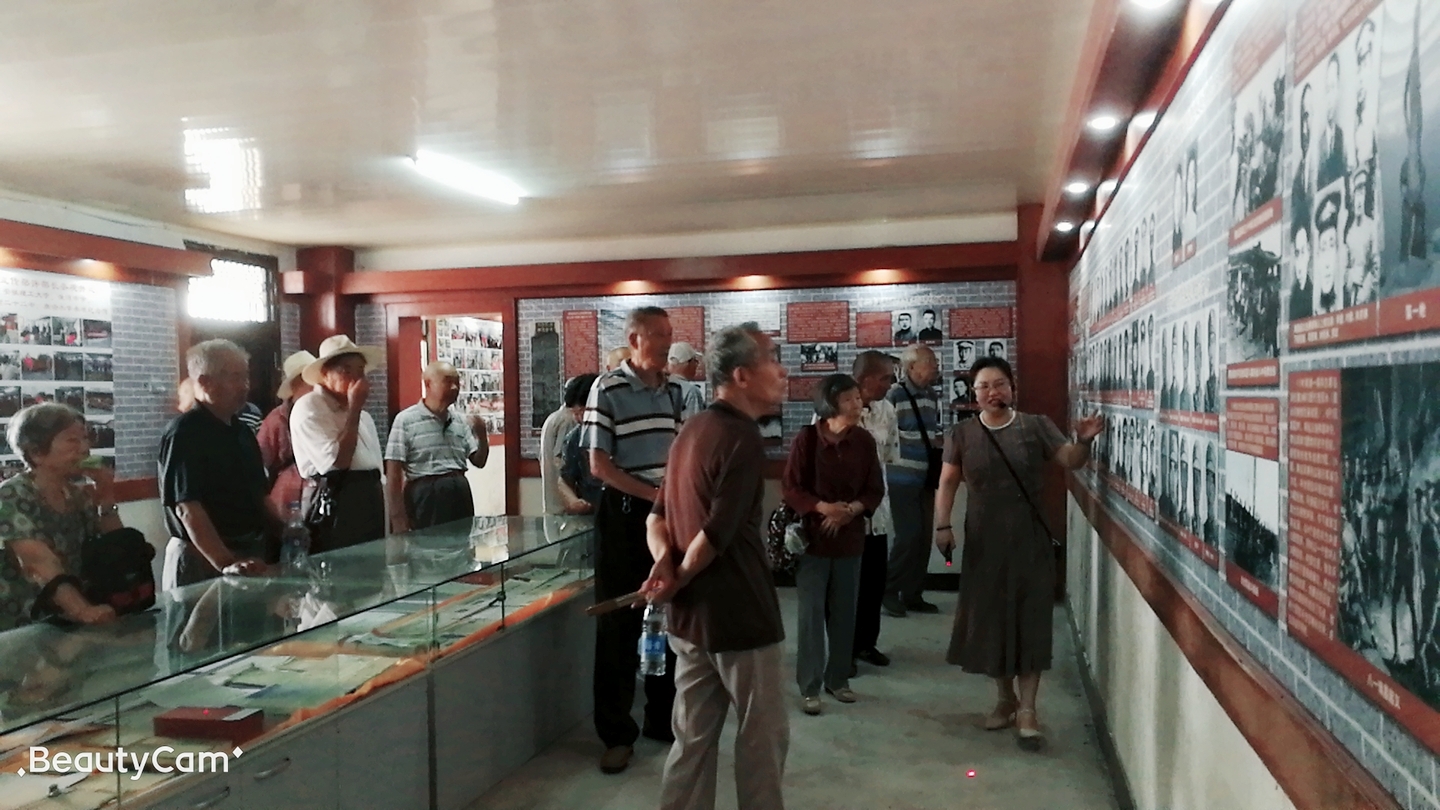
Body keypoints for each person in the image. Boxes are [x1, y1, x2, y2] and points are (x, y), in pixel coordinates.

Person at [641, 322, 790, 810]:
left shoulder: (692, 429)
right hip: (741, 617)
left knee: (692, 742)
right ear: (742, 375)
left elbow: (656, 517)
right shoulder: (741, 436)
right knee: (761, 742)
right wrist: (676, 574)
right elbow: (715, 536)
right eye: (772, 359)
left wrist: (665, 567)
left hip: (690, 618)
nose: (782, 372)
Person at [933, 356, 1102, 749]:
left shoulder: (1034, 426)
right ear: (973, 394)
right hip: (984, 541)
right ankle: (1004, 698)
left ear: (1012, 388)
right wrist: (942, 525)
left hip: (1029, 539)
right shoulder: (962, 434)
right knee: (992, 619)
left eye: (1000, 384)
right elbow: (947, 481)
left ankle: (1028, 709)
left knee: (1030, 619)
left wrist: (1084, 441)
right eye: (984, 386)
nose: (993, 392)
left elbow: (1070, 460)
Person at [583, 307, 685, 774]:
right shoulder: (607, 388)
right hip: (625, 516)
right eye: (657, 335)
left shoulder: (675, 391)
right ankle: (616, 733)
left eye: (669, 334)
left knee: (666, 615)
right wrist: (653, 497)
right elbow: (598, 465)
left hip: (667, 516)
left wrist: (674, 500)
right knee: (619, 625)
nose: (666, 342)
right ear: (634, 339)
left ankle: (661, 719)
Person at [783, 374, 884, 715]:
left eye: (858, 398)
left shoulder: (864, 441)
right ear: (830, 404)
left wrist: (850, 511)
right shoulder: (807, 439)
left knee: (845, 613)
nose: (857, 404)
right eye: (849, 399)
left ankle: (838, 679)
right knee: (811, 616)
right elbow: (792, 488)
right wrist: (823, 508)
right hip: (812, 542)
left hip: (850, 539)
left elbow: (874, 489)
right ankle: (809, 686)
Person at [158, 340, 273, 588]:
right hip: (203, 555)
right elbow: (188, 507)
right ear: (204, 382)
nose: (244, 386)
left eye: (245, 377)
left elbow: (261, 495)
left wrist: (290, 530)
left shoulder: (242, 431)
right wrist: (225, 562)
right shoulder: (185, 432)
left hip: (248, 552)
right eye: (235, 378)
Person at [0, 404, 123, 630]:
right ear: (36, 453)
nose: (85, 448)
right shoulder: (11, 496)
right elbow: (37, 562)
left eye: (85, 439)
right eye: (72, 441)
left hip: (66, 625)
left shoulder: (77, 496)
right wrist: (82, 610)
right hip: (23, 625)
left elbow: (116, 550)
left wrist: (106, 495)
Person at [291, 334, 386, 552]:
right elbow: (337, 462)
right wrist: (354, 409)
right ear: (325, 374)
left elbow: (376, 467)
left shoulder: (364, 416)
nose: (357, 379)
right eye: (347, 371)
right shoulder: (310, 407)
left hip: (369, 496)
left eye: (360, 371)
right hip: (336, 498)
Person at [385, 361, 489, 534]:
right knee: (427, 545)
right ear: (428, 384)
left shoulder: (459, 420)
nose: (455, 387)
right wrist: (398, 520)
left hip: (459, 492)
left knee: (462, 543)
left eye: (457, 382)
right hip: (426, 496)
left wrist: (482, 436)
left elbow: (479, 461)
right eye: (448, 381)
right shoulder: (405, 420)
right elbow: (394, 473)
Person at [882, 344, 941, 617]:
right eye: (929, 361)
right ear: (911, 367)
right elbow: (886, 434)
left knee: (924, 537)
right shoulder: (894, 395)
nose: (935, 366)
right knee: (908, 535)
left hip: (925, 477)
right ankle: (889, 590)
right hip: (901, 477)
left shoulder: (931, 395)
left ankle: (913, 594)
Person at [850, 351, 900, 670]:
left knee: (873, 583)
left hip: (877, 512)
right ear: (865, 379)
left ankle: (866, 643)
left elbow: (889, 456)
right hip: (845, 515)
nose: (890, 384)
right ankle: (843, 648)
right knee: (846, 587)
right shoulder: (836, 408)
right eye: (885, 378)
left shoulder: (887, 411)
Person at [257, 350, 316, 523]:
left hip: (322, 493)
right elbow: (259, 463)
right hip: (288, 499)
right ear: (294, 386)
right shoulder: (276, 420)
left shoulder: (325, 413)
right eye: (308, 381)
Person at [542, 375, 597, 515]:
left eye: (582, 412)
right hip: (588, 514)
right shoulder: (575, 437)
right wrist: (573, 501)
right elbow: (564, 478)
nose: (579, 418)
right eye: (575, 413)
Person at [667, 342, 707, 419]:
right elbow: (694, 423)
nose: (696, 365)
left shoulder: (660, 386)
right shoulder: (691, 392)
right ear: (687, 363)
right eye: (695, 361)